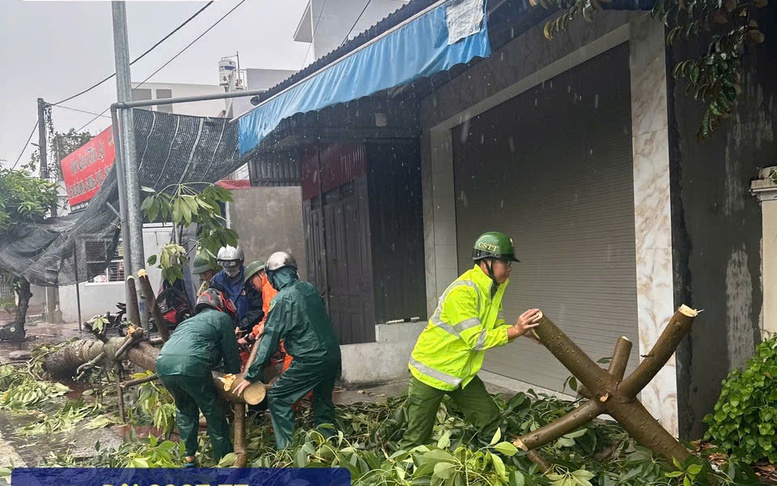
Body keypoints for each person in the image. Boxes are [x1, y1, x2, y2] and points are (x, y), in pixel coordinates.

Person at [401, 231, 542, 448]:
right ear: (487, 262)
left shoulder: (493, 291)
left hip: (460, 374)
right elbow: (477, 339)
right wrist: (515, 330)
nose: (510, 267)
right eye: (505, 261)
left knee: (491, 422)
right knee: (416, 439)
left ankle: (489, 465)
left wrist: (522, 332)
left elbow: (497, 328)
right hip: (430, 372)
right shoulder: (462, 292)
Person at [234, 251, 341, 449]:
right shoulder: (308, 288)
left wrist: (251, 374)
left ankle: (288, 452)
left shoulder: (283, 299)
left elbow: (270, 338)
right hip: (333, 355)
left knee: (278, 396)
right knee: (322, 399)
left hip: (311, 358)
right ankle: (329, 446)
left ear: (272, 276)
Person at [155, 289, 241, 466]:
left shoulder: (187, 322)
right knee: (212, 412)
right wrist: (235, 380)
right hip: (191, 365)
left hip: (163, 364)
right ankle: (224, 461)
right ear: (220, 305)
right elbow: (231, 355)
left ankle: (189, 459)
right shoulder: (222, 318)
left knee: (185, 410)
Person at [209, 245, 263, 333]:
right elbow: (213, 307)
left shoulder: (250, 279)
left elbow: (258, 308)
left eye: (232, 265)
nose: (229, 269)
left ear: (240, 262)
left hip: (250, 328)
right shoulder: (216, 281)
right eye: (225, 265)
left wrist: (242, 326)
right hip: (226, 329)